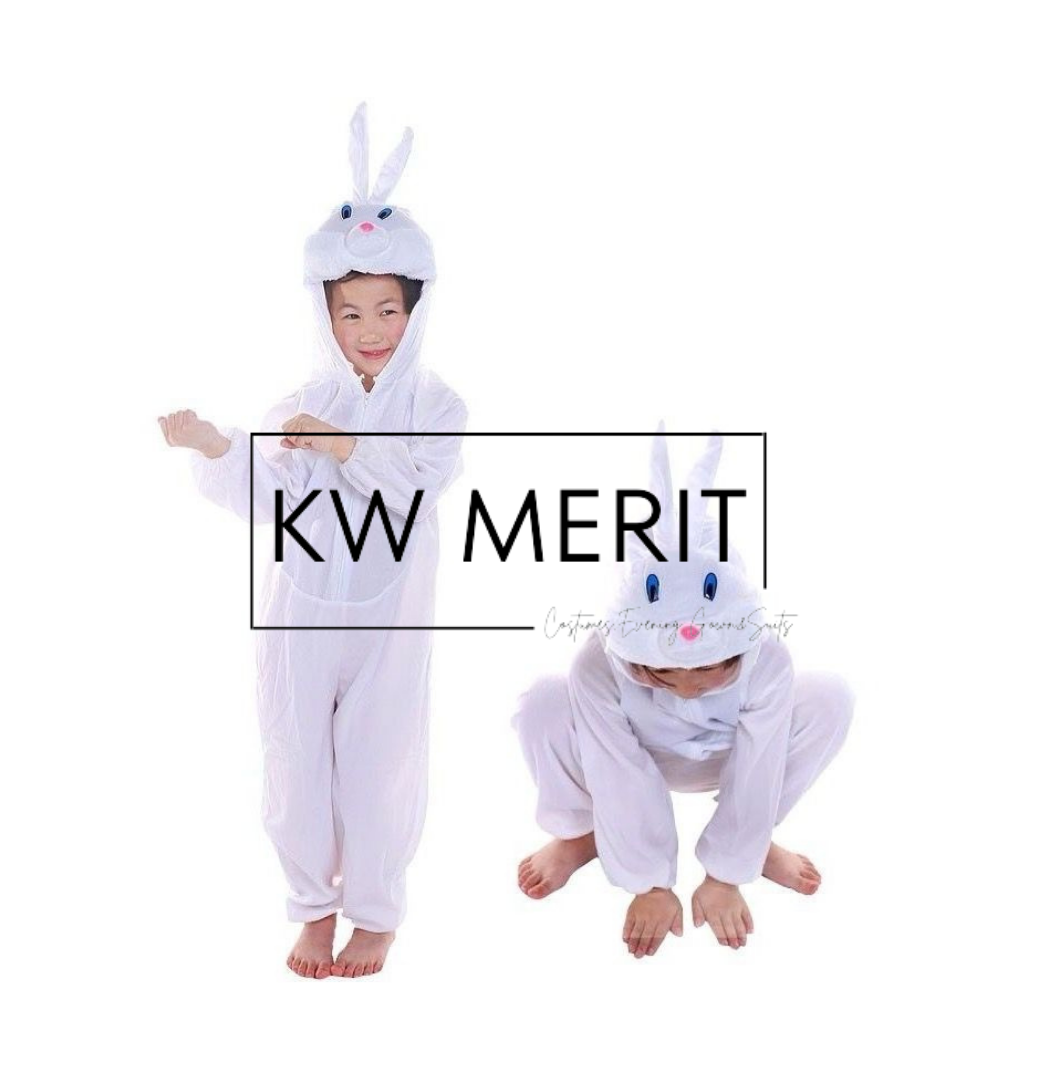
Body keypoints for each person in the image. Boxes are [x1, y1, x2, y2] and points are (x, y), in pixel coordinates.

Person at [158, 102, 467, 979]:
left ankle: (375, 912)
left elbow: (416, 487)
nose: (369, 331)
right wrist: (216, 447)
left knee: (378, 763)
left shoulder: (437, 406)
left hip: (388, 623)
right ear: (323, 316)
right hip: (301, 612)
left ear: (415, 310)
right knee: (295, 758)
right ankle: (311, 905)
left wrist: (344, 446)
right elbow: (267, 495)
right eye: (349, 313)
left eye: (387, 310)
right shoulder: (301, 402)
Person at [511, 429, 854, 959]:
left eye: (709, 669)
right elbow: (615, 766)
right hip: (635, 750)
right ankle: (584, 834)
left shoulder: (767, 656)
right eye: (664, 674)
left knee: (830, 697)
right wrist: (649, 884)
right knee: (541, 701)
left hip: (729, 755)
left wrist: (726, 874)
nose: (689, 688)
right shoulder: (599, 662)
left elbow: (761, 760)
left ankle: (750, 842)